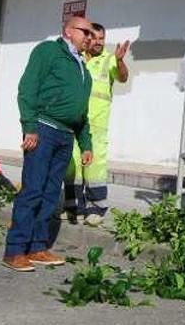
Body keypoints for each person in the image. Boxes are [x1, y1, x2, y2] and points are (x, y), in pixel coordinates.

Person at [2, 16, 95, 272]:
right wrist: (29, 127)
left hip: (66, 137)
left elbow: (81, 113)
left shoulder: (83, 69)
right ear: (68, 31)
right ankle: (15, 251)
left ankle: (37, 247)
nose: (89, 36)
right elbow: (27, 88)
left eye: (91, 33)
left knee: (51, 193)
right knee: (32, 189)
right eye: (84, 31)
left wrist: (86, 144)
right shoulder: (48, 51)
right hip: (43, 130)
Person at [64, 23, 130, 227]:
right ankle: (73, 207)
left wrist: (119, 61)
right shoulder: (77, 58)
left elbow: (123, 77)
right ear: (87, 38)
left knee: (94, 168)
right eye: (95, 37)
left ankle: (96, 209)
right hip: (74, 122)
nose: (99, 41)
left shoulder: (109, 59)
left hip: (96, 126)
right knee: (71, 166)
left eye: (102, 38)